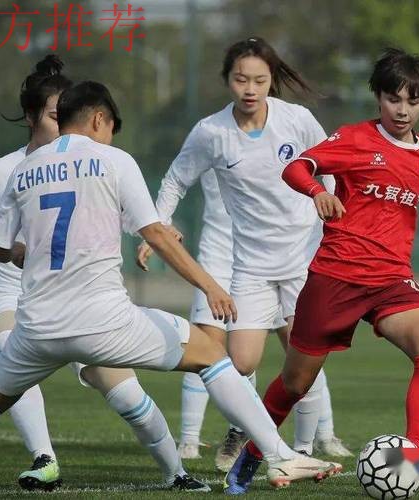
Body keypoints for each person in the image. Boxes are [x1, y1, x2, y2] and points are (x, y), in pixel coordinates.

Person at [0, 80, 340, 500]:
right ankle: (279, 456)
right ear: (98, 119)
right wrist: (210, 286)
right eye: (111, 126)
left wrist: (27, 252)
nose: (110, 135)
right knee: (210, 353)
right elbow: (157, 234)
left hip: (37, 326)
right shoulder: (114, 161)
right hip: (103, 321)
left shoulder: (23, 170)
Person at [0, 56, 198, 493]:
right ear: (31, 118)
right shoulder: (4, 172)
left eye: (66, 112)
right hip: (15, 297)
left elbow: (127, 220)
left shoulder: (94, 164)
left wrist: (157, 234)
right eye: (52, 114)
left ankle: (176, 473)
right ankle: (44, 458)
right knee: (9, 358)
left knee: (127, 394)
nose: (63, 122)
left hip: (83, 302)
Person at [224, 48, 419, 495]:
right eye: (393, 99)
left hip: (391, 280)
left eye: (413, 101)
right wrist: (317, 191)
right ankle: (253, 455)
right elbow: (297, 167)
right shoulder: (355, 138)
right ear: (378, 98)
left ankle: (413, 457)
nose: (402, 110)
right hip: (336, 277)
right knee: (295, 383)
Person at [136, 40, 350, 469]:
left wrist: (331, 209)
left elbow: (330, 164)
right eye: (240, 79)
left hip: (304, 258)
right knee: (240, 361)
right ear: (227, 80)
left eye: (259, 80)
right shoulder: (211, 133)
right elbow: (176, 179)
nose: (250, 89)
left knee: (303, 362)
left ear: (271, 81)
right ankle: (241, 427)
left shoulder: (296, 120)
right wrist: (158, 226)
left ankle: (304, 452)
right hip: (250, 265)